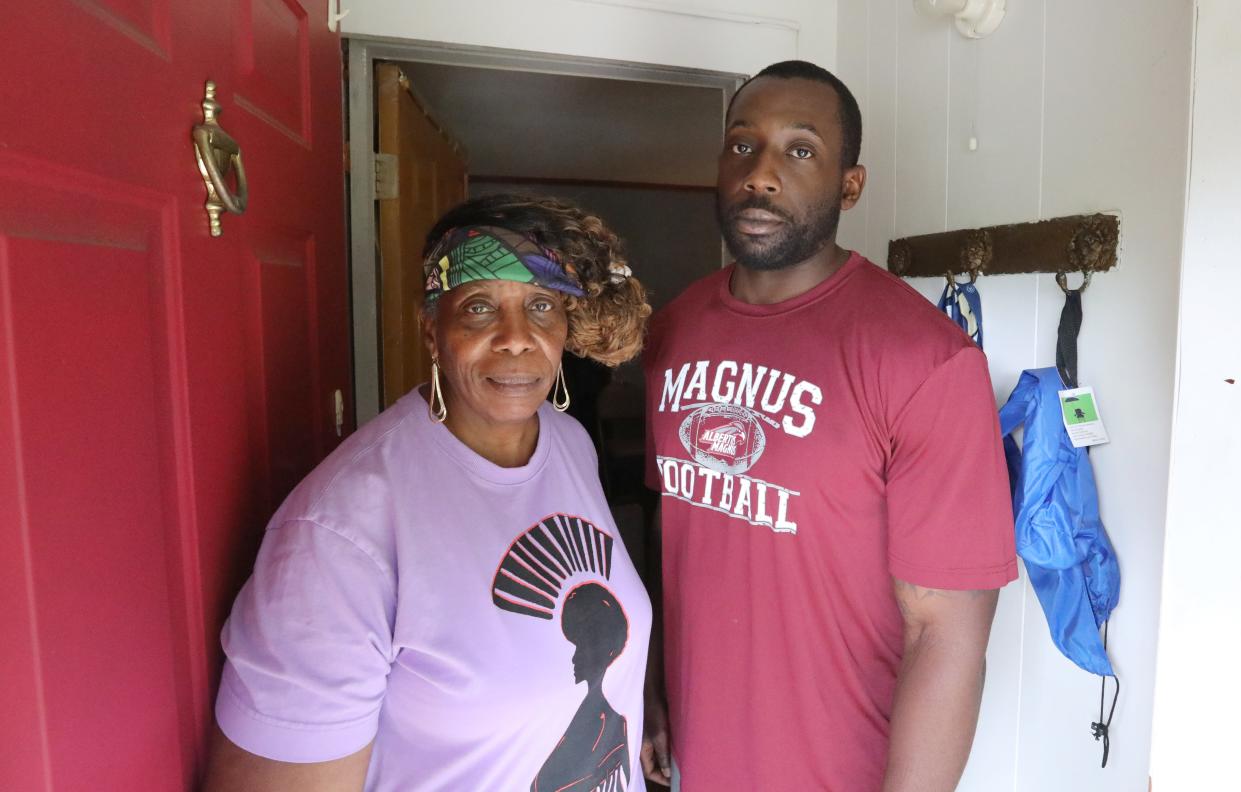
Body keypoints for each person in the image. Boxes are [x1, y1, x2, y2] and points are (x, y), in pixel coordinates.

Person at [640, 61, 1017, 791]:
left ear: (850, 184)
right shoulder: (674, 328)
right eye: (742, 146)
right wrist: (648, 680)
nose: (762, 174)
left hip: (834, 767)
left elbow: (946, 636)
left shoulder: (924, 360)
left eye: (800, 150)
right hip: (693, 757)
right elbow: (671, 525)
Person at [203, 194, 653, 791]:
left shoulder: (569, 442)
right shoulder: (336, 537)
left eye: (540, 305)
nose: (516, 338)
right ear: (432, 330)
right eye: (478, 308)